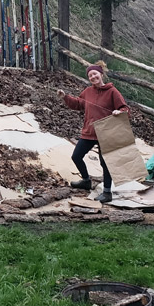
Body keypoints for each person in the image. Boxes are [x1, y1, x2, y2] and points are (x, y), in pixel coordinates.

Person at [57, 61, 129, 203]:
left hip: (106, 131)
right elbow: (78, 104)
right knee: (76, 156)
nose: (93, 77)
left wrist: (118, 111)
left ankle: (107, 193)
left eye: (95, 74)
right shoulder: (88, 92)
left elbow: (125, 109)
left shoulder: (112, 92)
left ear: (101, 74)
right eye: (90, 75)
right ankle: (86, 181)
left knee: (105, 162)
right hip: (89, 131)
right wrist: (65, 97)